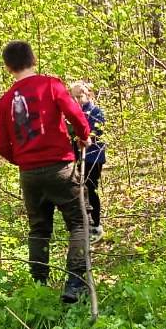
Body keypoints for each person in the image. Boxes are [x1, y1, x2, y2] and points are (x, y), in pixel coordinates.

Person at [0, 41, 91, 304]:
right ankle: (75, 283)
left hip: (29, 174)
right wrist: (84, 136)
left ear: (8, 67)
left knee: (38, 228)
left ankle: (39, 284)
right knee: (79, 222)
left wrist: (22, 160)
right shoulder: (51, 85)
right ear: (33, 59)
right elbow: (75, 114)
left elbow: (0, 143)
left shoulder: (5, 101)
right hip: (60, 165)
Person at [69, 81, 107, 242]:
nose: (77, 100)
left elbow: (97, 132)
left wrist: (87, 138)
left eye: (80, 96)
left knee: (90, 188)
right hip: (75, 157)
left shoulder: (95, 112)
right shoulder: (71, 114)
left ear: (88, 94)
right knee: (77, 190)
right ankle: (82, 224)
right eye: (73, 97)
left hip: (93, 157)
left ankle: (96, 225)